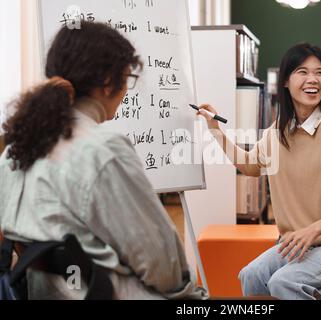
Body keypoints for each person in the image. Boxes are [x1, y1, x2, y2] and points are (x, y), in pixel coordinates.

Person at [0, 21, 207, 300]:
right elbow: (163, 265)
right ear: (109, 82)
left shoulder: (15, 150)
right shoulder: (103, 150)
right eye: (128, 79)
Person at [198, 43, 321, 300]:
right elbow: (250, 165)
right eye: (302, 72)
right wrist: (215, 128)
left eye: (320, 72)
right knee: (251, 275)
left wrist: (312, 230)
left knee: (285, 282)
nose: (312, 79)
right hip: (302, 245)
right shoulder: (276, 133)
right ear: (285, 81)